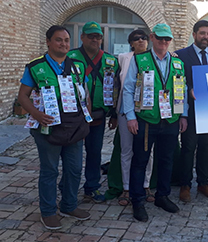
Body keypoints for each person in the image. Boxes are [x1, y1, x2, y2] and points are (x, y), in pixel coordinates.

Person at [17, 26, 91, 230]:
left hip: (75, 126)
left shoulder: (77, 65)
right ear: (48, 41)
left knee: (74, 170)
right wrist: (36, 114)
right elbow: (22, 96)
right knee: (50, 171)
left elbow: (84, 93)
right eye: (59, 40)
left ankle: (68, 205)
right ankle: (48, 211)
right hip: (48, 127)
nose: (64, 44)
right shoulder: (36, 66)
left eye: (67, 40)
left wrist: (87, 118)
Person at [123, 23, 188, 222]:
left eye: (167, 39)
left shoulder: (178, 63)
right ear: (152, 37)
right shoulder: (140, 59)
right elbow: (128, 88)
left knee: (166, 160)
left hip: (170, 120)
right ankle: (138, 200)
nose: (163, 42)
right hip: (146, 120)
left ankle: (162, 196)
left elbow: (182, 90)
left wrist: (183, 115)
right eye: (160, 38)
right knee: (140, 161)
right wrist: (130, 116)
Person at [68, 21, 119, 203]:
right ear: (82, 37)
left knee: (94, 152)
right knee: (71, 153)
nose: (95, 39)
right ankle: (68, 187)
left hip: (98, 115)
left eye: (98, 36)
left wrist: (114, 114)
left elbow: (116, 88)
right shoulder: (70, 57)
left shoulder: (110, 60)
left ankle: (92, 187)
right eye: (91, 36)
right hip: (73, 116)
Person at [176, 20, 208, 202]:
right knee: (188, 148)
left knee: (206, 148)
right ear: (194, 34)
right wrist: (189, 89)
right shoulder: (181, 55)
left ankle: (203, 183)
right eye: (202, 33)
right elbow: (177, 80)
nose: (206, 37)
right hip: (190, 111)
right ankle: (185, 185)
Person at [105, 30, 155, 205]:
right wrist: (114, 113)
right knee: (126, 151)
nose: (141, 40)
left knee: (148, 152)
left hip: (148, 111)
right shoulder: (122, 58)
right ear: (131, 43)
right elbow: (116, 86)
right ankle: (126, 187)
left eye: (143, 38)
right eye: (136, 39)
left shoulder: (155, 58)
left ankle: (146, 184)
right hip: (126, 111)